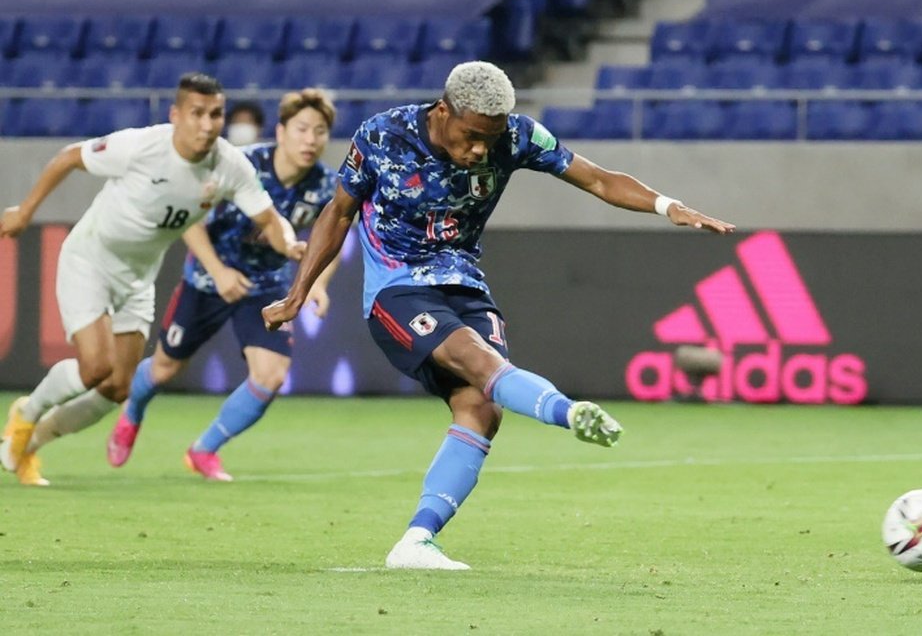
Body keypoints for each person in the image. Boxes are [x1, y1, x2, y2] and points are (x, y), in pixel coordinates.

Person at [261, 61, 735, 570]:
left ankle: (416, 541)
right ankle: (569, 412)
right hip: (397, 288)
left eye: (490, 139)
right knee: (478, 362)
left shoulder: (516, 135)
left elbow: (596, 179)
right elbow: (338, 213)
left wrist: (668, 206)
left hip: (464, 282)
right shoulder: (383, 135)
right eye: (470, 137)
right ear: (444, 111)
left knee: (482, 409)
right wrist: (297, 293)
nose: (480, 151)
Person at [0, 73, 304, 487]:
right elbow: (70, 156)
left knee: (117, 387)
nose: (207, 124)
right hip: (90, 260)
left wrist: (288, 244)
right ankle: (26, 414)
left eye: (216, 114)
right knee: (95, 369)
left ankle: (31, 445)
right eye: (197, 113)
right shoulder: (141, 146)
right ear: (175, 115)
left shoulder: (230, 163)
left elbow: (268, 218)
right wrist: (25, 210)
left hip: (138, 278)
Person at [106, 88, 339, 481]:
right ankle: (132, 413)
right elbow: (189, 217)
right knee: (164, 369)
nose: (310, 140)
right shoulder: (240, 164)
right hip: (207, 279)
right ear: (280, 132)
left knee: (271, 375)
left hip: (267, 286)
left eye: (319, 131)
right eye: (302, 129)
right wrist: (217, 271)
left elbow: (331, 237)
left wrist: (316, 283)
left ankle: (203, 450)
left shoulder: (325, 186)